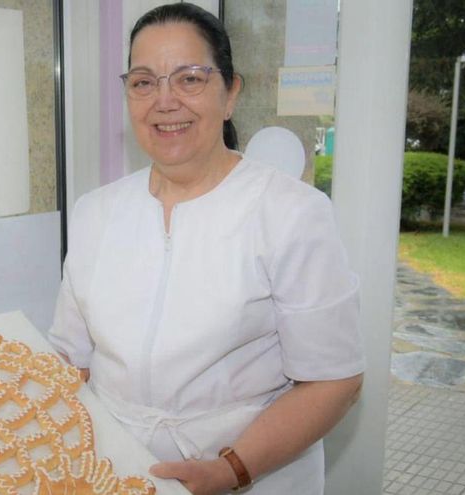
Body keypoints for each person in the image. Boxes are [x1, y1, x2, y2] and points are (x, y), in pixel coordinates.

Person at [47, 4, 364, 495]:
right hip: (118, 469)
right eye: (143, 82)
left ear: (230, 92)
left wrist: (231, 469)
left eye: (190, 79)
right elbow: (70, 357)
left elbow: (333, 381)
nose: (164, 101)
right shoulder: (96, 212)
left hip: (253, 472)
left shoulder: (290, 213)